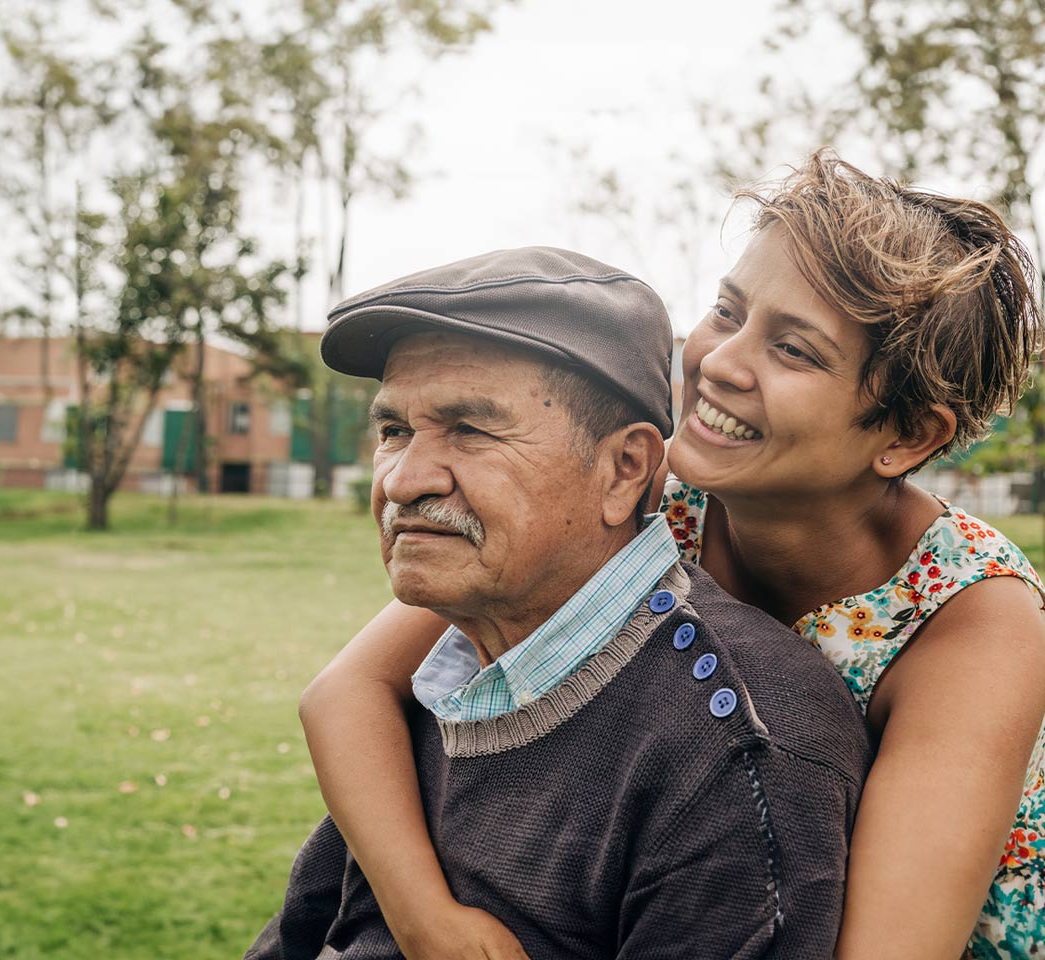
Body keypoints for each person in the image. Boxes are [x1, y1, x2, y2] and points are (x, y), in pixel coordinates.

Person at [299, 152, 1045, 960]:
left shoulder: (976, 621)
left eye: (793, 350)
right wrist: (427, 921)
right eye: (729, 311)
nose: (720, 361)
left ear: (906, 436)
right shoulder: (666, 491)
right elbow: (348, 692)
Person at [247, 246, 872, 959]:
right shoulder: (457, 665)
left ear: (624, 469)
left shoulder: (740, 754)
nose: (403, 480)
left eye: (472, 430)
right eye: (394, 431)